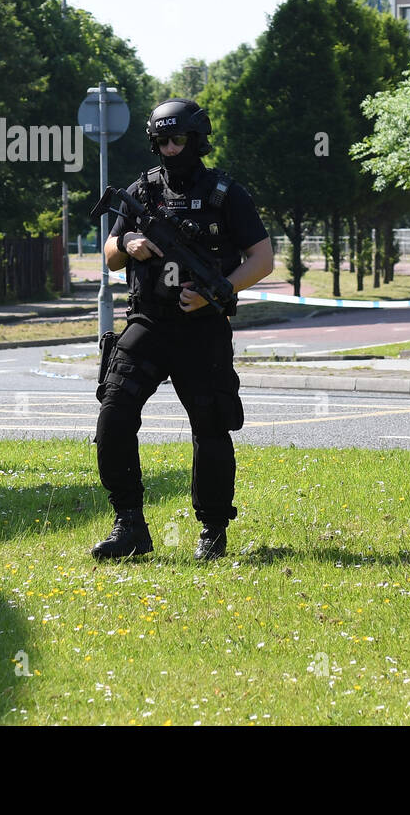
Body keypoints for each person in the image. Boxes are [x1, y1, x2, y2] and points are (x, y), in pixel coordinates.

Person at [92, 98, 273, 559]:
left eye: (178, 140)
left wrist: (218, 291)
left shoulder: (225, 194)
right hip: (148, 321)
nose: (170, 149)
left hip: (203, 328)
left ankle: (212, 531)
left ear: (197, 140)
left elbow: (262, 259)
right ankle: (129, 524)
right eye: (161, 141)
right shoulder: (142, 190)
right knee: (113, 414)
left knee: (210, 427)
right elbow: (111, 256)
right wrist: (128, 241)